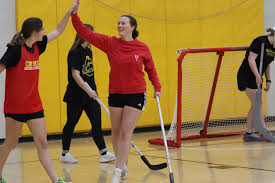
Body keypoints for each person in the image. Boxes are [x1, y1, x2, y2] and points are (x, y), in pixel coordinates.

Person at [71, 1, 161, 183]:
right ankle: (124, 164)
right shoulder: (110, 43)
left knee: (126, 132)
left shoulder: (142, 47)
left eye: (123, 23)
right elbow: (85, 32)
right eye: (118, 23)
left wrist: (156, 87)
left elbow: (151, 69)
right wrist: (74, 15)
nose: (119, 26)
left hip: (136, 94)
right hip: (116, 94)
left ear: (132, 27)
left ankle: (118, 171)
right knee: (116, 133)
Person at [0, 1, 78, 183]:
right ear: (34, 33)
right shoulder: (14, 52)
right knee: (10, 144)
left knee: (42, 143)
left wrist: (69, 13)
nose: (44, 31)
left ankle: (56, 180)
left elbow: (58, 31)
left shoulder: (38, 46)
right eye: (42, 29)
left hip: (34, 106)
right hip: (15, 108)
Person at [61, 24, 116, 164]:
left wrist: (93, 91)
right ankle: (64, 153)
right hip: (76, 95)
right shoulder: (74, 52)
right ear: (83, 34)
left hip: (91, 95)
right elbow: (76, 74)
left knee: (96, 123)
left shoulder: (89, 51)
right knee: (71, 123)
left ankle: (103, 153)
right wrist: (88, 90)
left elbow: (89, 74)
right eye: (91, 34)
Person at [237, 27, 275, 142]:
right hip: (247, 75)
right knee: (258, 102)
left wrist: (268, 80)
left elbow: (267, 63)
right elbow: (251, 59)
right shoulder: (260, 41)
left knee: (255, 105)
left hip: (257, 76)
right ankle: (264, 132)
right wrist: (258, 75)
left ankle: (248, 133)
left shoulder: (273, 48)